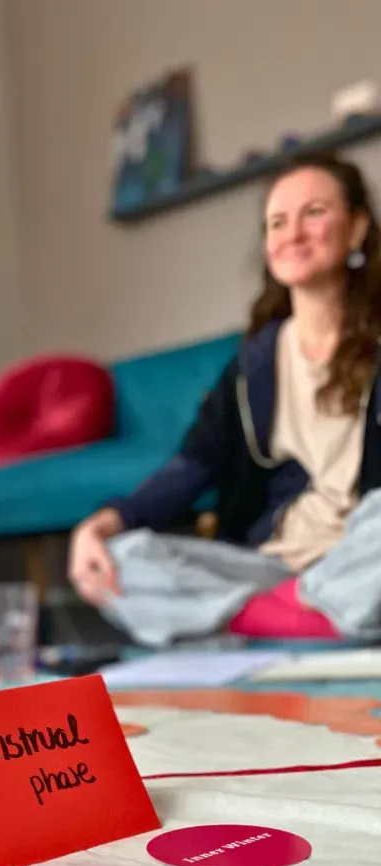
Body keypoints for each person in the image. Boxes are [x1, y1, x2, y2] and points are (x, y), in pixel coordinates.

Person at [69, 152, 381, 646]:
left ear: (358, 228)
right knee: (125, 558)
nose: (293, 232)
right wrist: (101, 525)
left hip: (359, 558)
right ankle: (302, 619)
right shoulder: (252, 364)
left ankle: (256, 620)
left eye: (314, 213)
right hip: (271, 568)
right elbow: (192, 466)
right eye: (277, 222)